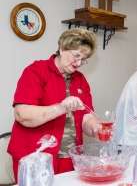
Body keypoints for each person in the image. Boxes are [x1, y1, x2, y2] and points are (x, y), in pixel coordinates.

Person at [7, 28, 103, 182]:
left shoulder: (81, 80)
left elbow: (86, 116)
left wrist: (95, 128)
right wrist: (60, 108)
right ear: (62, 48)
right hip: (35, 157)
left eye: (83, 59)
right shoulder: (36, 71)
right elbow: (22, 115)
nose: (78, 63)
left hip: (69, 158)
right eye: (76, 56)